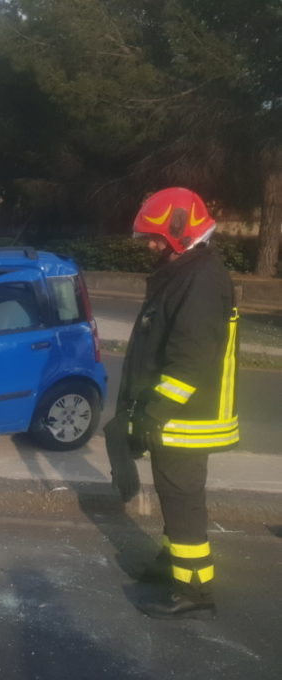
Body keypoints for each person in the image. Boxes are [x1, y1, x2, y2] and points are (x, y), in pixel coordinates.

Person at [112, 187, 239, 619]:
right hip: (175, 418)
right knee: (173, 494)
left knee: (183, 500)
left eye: (154, 237)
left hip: (187, 420)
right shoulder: (186, 270)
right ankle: (171, 565)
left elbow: (191, 361)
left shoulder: (200, 279)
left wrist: (156, 410)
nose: (149, 245)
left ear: (181, 231)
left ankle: (196, 587)